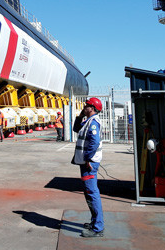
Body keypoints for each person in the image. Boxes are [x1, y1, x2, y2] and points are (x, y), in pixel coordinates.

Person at [71, 97, 104, 238]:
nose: (84, 107)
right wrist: (79, 116)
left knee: (92, 193)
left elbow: (94, 142)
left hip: (88, 163)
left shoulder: (93, 123)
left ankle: (98, 228)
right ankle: (94, 222)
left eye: (86, 106)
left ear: (92, 108)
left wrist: (87, 158)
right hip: (85, 162)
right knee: (89, 192)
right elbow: (75, 128)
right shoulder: (87, 121)